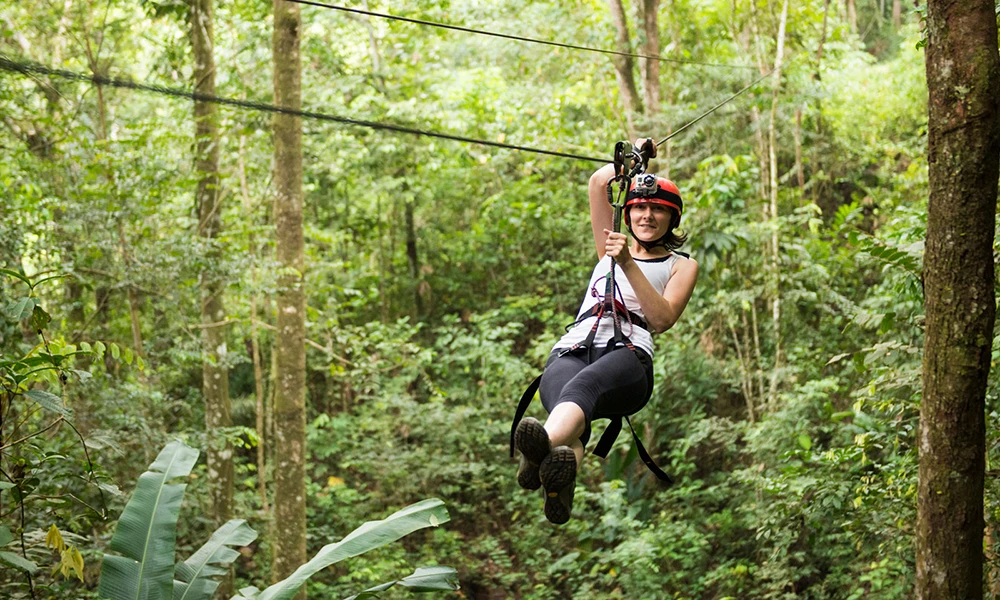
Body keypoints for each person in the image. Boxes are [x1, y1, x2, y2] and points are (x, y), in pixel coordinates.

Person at [512, 139, 699, 524]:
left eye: (658, 210)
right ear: (627, 214)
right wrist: (633, 155)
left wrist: (627, 261)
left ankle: (536, 451)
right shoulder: (609, 245)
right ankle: (556, 482)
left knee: (583, 391)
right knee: (572, 419)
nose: (647, 215)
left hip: (628, 355)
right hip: (574, 346)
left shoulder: (680, 265)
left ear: (672, 219)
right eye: (640, 207)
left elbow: (662, 319)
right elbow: (600, 182)